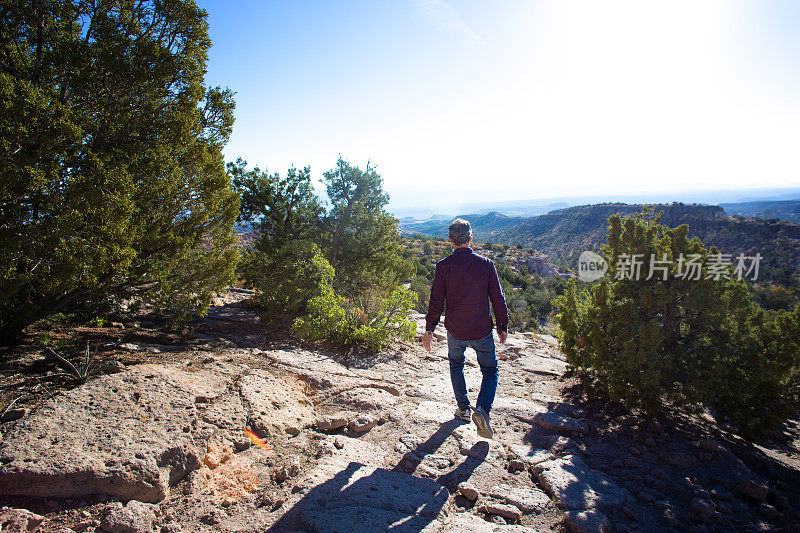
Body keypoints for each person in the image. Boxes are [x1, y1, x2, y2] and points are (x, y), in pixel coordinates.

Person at [422, 218, 509, 439]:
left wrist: (429, 331)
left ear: (450, 240)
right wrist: (502, 325)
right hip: (481, 329)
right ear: (471, 238)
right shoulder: (486, 264)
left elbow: (436, 301)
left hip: (456, 330)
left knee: (456, 365)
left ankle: (463, 409)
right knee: (490, 371)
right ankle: (482, 410)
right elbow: (497, 298)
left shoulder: (443, 266)